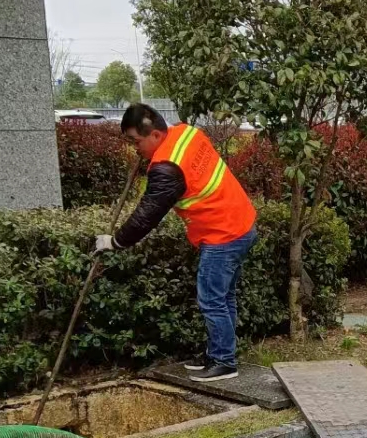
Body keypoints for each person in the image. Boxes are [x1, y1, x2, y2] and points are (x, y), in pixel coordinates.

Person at [95, 104, 258, 380]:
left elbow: (147, 214)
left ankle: (224, 362)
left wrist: (116, 242)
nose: (135, 149)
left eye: (137, 142)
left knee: (212, 300)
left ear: (156, 135)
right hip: (242, 223)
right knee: (223, 297)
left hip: (223, 234)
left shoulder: (167, 167)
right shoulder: (187, 133)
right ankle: (220, 351)